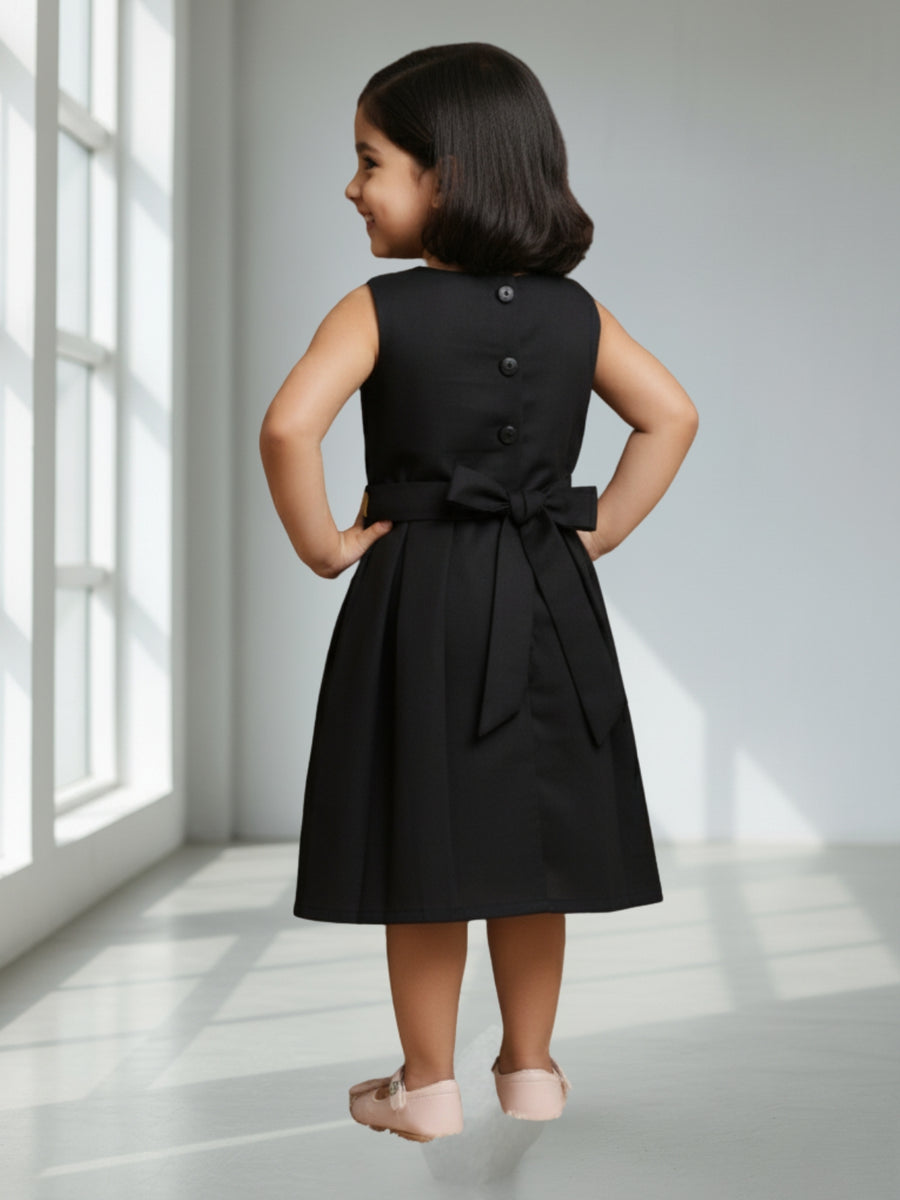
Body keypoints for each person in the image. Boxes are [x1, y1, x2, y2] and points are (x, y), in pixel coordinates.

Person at [259, 42, 698, 1143]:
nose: (352, 186)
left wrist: (323, 544)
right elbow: (672, 414)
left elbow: (288, 427)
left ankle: (427, 1086)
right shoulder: (575, 313)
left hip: (420, 595)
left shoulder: (378, 308)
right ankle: (531, 1069)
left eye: (370, 161)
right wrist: (597, 531)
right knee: (532, 842)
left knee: (429, 839)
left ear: (445, 177)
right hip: (547, 590)